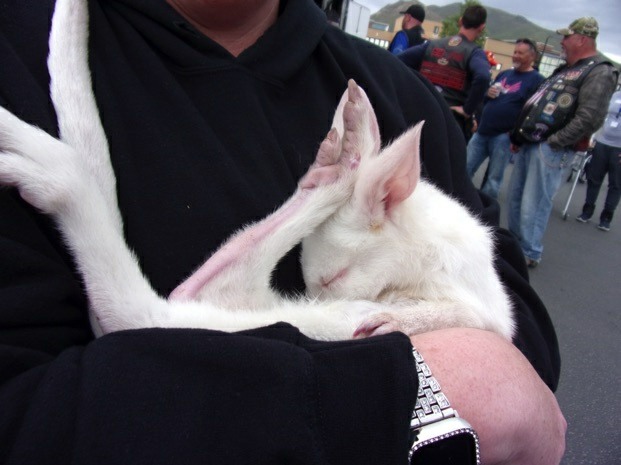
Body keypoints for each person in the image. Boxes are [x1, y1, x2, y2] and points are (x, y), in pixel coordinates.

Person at [0, 1, 565, 464]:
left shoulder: (400, 94)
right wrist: (406, 388)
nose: (324, 292)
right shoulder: (17, 53)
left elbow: (524, 334)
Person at [507, 17, 618, 268]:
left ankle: (529, 251)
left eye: (567, 37)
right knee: (517, 199)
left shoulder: (600, 71)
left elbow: (590, 118)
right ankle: (514, 246)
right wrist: (519, 136)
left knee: (534, 203)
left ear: (582, 39)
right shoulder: (566, 68)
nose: (562, 41)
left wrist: (554, 142)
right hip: (530, 141)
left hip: (549, 148)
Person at [398, 5, 491, 140]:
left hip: (419, 112)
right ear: (481, 28)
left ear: (460, 21)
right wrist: (467, 110)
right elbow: (483, 77)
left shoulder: (432, 45)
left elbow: (399, 60)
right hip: (449, 122)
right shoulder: (475, 53)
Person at [467, 39, 544, 199]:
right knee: (465, 168)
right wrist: (488, 94)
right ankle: (459, 201)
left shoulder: (537, 80)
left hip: (503, 136)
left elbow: (533, 111)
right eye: (515, 52)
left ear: (532, 57)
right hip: (483, 131)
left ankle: (485, 210)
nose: (515, 56)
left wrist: (514, 134)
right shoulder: (504, 74)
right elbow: (486, 100)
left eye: (520, 53)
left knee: (493, 179)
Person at [576, 88, 621, 231]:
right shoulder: (615, 95)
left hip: (619, 148)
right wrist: (593, 137)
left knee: (616, 184)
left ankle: (606, 216)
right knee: (594, 178)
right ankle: (587, 210)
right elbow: (602, 116)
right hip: (602, 142)